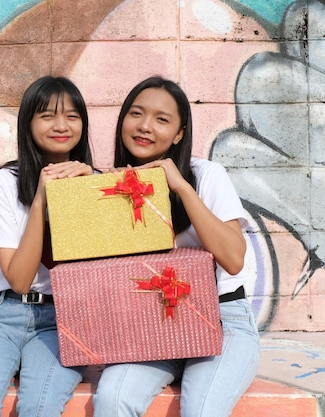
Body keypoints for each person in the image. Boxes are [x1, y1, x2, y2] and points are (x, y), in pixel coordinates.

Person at [92, 76, 260, 417]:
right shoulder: (108, 188)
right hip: (151, 324)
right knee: (112, 397)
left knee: (202, 410)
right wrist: (80, 192)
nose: (145, 127)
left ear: (180, 134)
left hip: (222, 319)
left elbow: (233, 259)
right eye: (136, 114)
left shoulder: (206, 175)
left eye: (162, 119)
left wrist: (181, 187)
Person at [0, 76, 95, 417]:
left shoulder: (96, 183)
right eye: (47, 115)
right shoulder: (1, 184)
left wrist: (90, 197)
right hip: (0, 315)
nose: (61, 125)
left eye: (72, 116)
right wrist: (43, 198)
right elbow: (19, 278)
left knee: (40, 409)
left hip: (64, 319)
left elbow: (100, 271)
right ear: (28, 124)